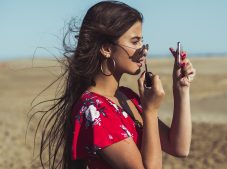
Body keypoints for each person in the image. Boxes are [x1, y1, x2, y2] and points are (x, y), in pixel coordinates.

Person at [31, 1, 196, 169]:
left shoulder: (126, 97)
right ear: (106, 49)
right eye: (134, 41)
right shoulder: (94, 110)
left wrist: (181, 88)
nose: (143, 49)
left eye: (142, 41)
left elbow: (179, 147)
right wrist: (150, 111)